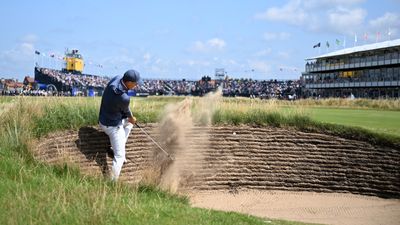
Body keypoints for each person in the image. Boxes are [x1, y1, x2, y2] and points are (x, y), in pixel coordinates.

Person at [99, 69, 140, 181]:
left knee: (129, 125)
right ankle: (112, 182)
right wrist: (132, 118)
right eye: (135, 83)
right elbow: (126, 112)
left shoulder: (116, 78)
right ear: (129, 82)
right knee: (120, 156)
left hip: (103, 119)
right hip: (112, 126)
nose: (136, 85)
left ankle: (114, 146)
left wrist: (130, 120)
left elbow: (124, 110)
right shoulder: (124, 97)